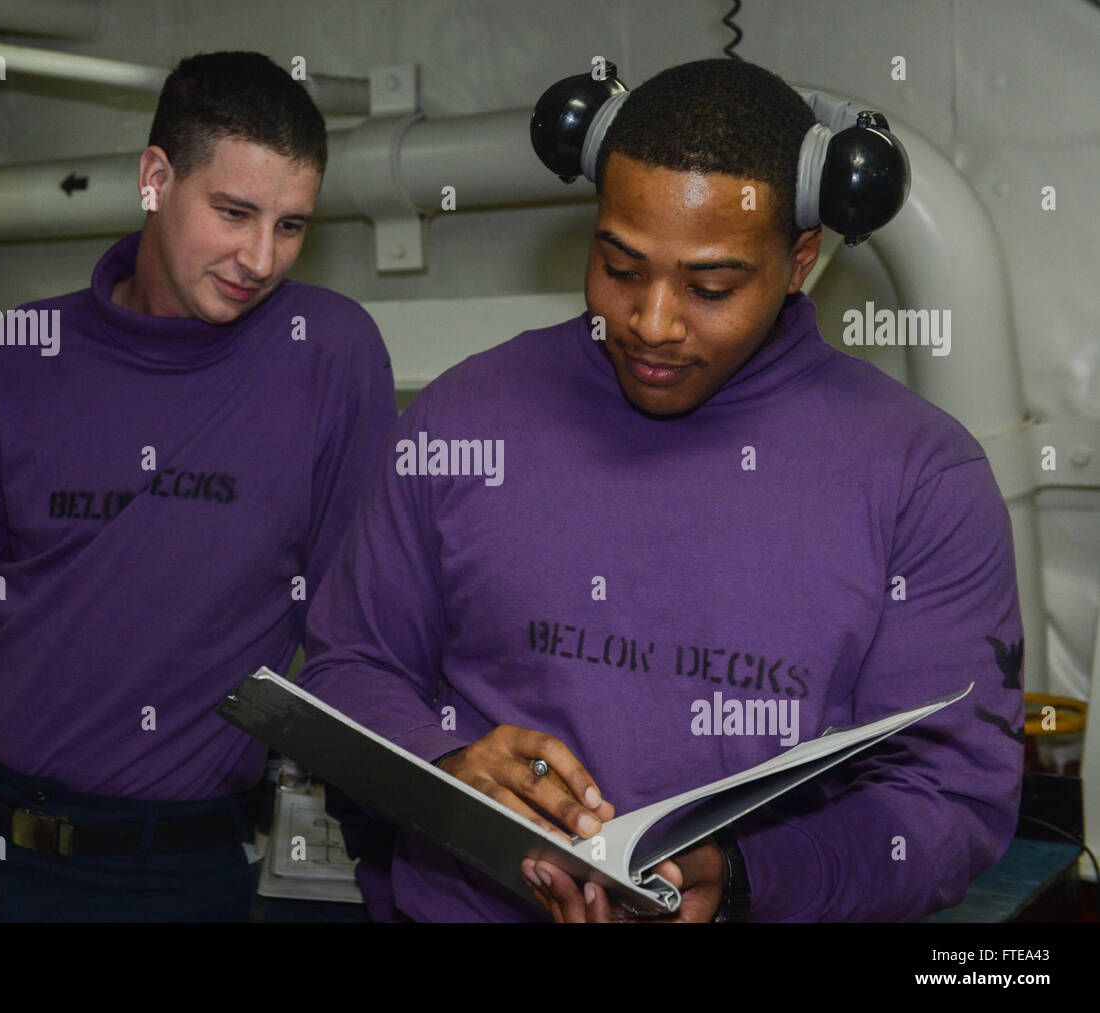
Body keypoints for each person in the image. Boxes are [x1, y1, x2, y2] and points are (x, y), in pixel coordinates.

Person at [295, 57, 1025, 922]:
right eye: (620, 267)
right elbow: (352, 665)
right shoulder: (464, 416)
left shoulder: (919, 477)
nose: (651, 322)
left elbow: (945, 801)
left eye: (710, 287)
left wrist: (743, 876)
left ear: (799, 259)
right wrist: (444, 763)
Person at [0, 51, 396, 922]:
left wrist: (397, 877)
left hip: (166, 875)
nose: (260, 258)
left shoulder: (330, 356)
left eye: (291, 225)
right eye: (234, 212)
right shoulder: (30, 351)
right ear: (155, 179)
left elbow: (360, 642)